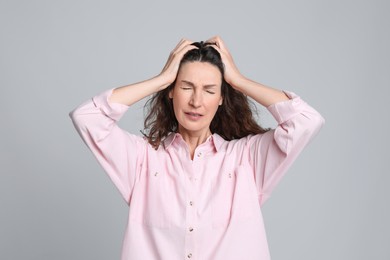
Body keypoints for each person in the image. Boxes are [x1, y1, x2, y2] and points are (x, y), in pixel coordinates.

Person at [69, 36, 324, 260]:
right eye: (186, 87)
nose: (196, 101)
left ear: (222, 97)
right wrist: (161, 79)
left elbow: (306, 122)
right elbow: (88, 118)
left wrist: (239, 80)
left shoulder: (246, 159)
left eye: (209, 90)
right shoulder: (143, 160)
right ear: (171, 92)